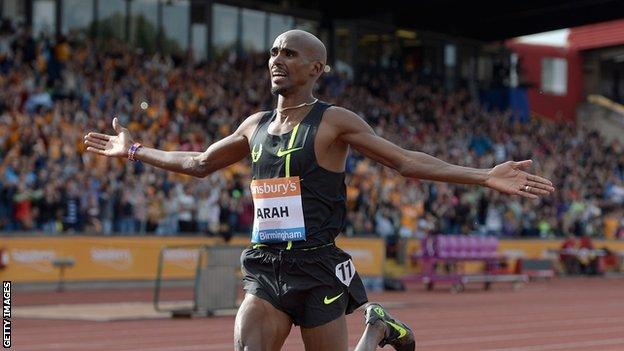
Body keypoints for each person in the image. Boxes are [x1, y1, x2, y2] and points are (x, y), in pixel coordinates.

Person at [84, 30, 555, 351]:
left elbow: (405, 161)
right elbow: (200, 162)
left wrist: (483, 175)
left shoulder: (334, 121)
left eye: (289, 54)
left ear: (316, 68)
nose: (277, 59)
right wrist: (134, 149)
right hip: (266, 264)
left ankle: (375, 330)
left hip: (317, 267)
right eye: (273, 52)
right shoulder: (255, 125)